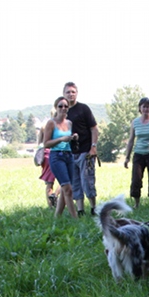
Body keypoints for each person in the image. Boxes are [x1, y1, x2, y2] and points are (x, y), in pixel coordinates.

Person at [63, 82, 99, 217]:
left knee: (87, 180)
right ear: (63, 94)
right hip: (69, 153)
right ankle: (80, 210)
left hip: (85, 151)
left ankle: (94, 208)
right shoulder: (62, 111)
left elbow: (94, 128)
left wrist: (93, 147)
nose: (70, 94)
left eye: (73, 91)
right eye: (68, 92)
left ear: (76, 93)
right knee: (75, 182)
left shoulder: (83, 109)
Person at [43, 96, 79, 218]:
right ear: (56, 107)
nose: (63, 108)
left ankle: (57, 217)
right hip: (56, 157)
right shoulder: (51, 123)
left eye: (65, 106)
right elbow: (46, 143)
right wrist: (61, 139)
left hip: (69, 156)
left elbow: (68, 139)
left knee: (66, 189)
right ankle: (76, 219)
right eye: (60, 106)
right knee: (68, 189)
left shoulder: (69, 123)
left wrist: (73, 137)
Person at [37, 128, 60, 208]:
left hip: (45, 158)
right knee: (65, 180)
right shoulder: (53, 129)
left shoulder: (41, 144)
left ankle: (51, 205)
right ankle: (55, 195)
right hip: (53, 155)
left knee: (49, 184)